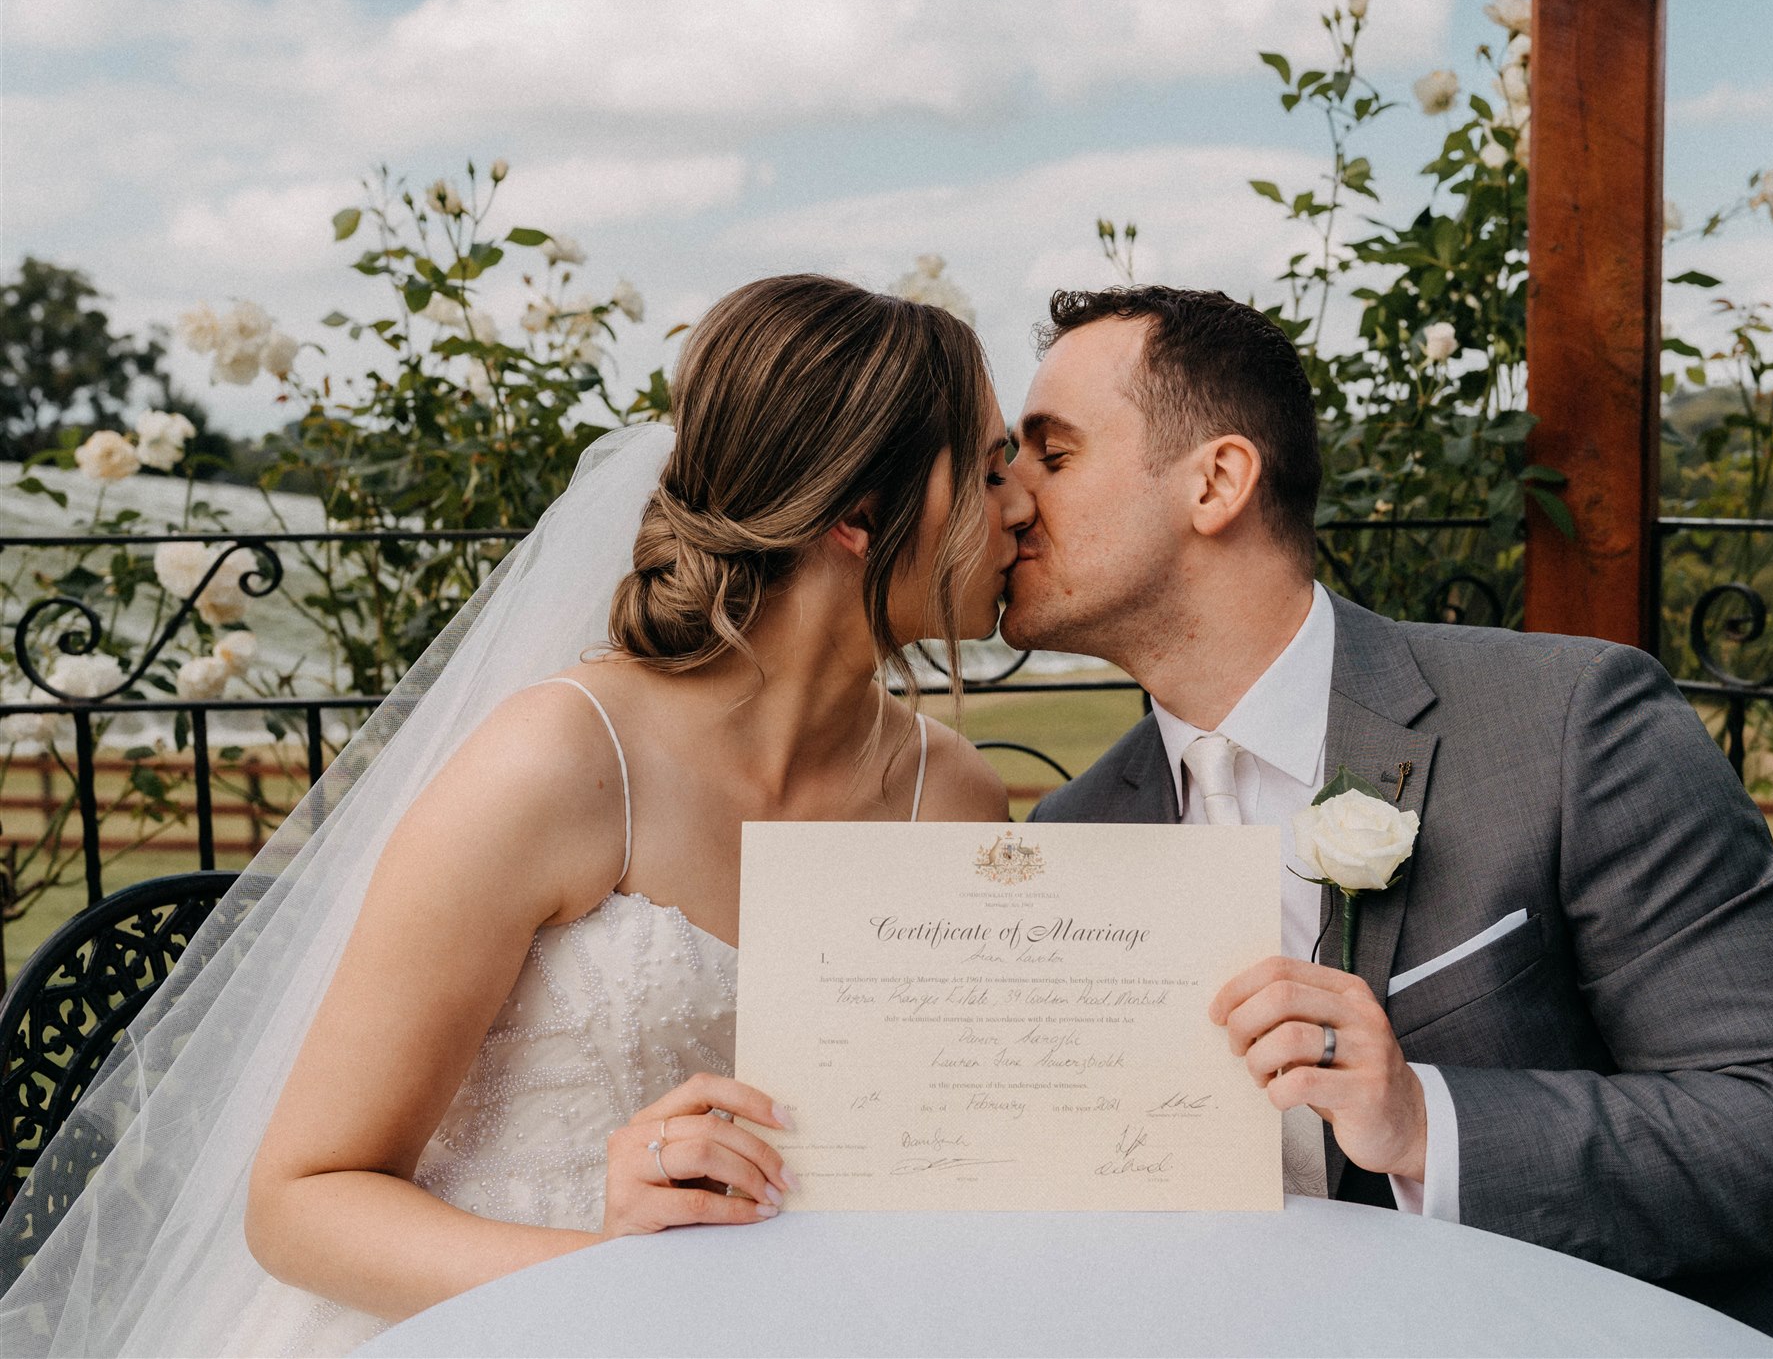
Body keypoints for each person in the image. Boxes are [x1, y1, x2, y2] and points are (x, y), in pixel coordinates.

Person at [0, 274, 1033, 1355]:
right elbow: (301, 1200)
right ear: (858, 516)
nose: (1020, 509)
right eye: (993, 468)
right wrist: (624, 1292)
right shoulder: (560, 764)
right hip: (485, 1319)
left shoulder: (954, 803)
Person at [1006, 285, 1773, 1358]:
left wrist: (1422, 1122)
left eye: (1050, 457)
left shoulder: (1569, 726)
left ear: (1217, 480)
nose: (1007, 502)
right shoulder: (1073, 834)